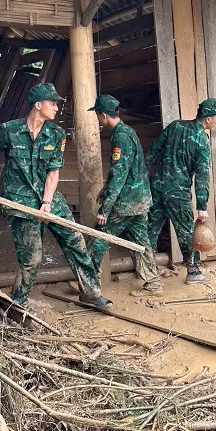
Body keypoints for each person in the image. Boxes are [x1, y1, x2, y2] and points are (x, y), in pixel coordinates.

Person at [0, 83, 112, 309]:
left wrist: (47, 202)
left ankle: (90, 293)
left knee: (75, 241)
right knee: (32, 259)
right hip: (21, 201)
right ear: (38, 105)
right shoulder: (10, 130)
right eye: (52, 103)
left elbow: (53, 172)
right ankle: (18, 303)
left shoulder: (56, 134)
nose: (57, 108)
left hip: (50, 199)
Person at [85, 94, 162, 296]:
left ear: (102, 115)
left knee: (98, 239)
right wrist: (106, 187)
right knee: (141, 242)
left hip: (126, 202)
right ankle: (153, 283)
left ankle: (89, 285)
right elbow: (126, 169)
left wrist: (105, 209)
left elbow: (119, 175)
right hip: (141, 198)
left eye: (97, 115)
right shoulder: (128, 131)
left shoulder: (120, 136)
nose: (97, 119)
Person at [146, 98, 216, 283]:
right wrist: (202, 206)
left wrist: (142, 176)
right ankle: (193, 272)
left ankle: (147, 270)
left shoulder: (175, 126)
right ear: (208, 119)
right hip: (178, 193)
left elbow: (153, 150)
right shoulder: (202, 140)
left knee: (151, 228)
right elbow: (202, 176)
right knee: (187, 232)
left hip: (156, 186)